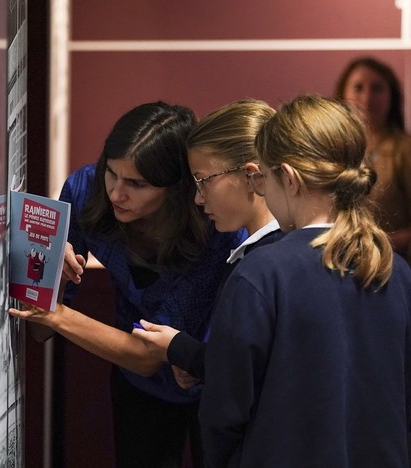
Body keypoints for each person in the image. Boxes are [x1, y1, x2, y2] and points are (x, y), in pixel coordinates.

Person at [9, 101, 243, 467]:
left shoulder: (213, 225)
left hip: (211, 377)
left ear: (178, 188)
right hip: (135, 383)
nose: (117, 193)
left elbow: (148, 355)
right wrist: (46, 265)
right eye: (112, 172)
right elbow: (38, 330)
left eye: (137, 183)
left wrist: (55, 314)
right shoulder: (86, 188)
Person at [199, 95, 411, 467]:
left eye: (261, 177)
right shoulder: (397, 271)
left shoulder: (259, 275)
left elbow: (225, 411)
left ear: (290, 179)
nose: (260, 188)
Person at [132, 99, 284, 387]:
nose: (198, 198)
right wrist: (198, 362)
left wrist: (181, 349)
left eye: (203, 181)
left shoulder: (262, 267)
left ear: (250, 175)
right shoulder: (259, 257)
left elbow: (249, 374)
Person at [334, 56, 411, 262]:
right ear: (342, 94)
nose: (367, 97)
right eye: (358, 88)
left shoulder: (405, 149)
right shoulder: (331, 151)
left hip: (393, 266)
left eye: (377, 88)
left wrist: (378, 243)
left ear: (391, 96)